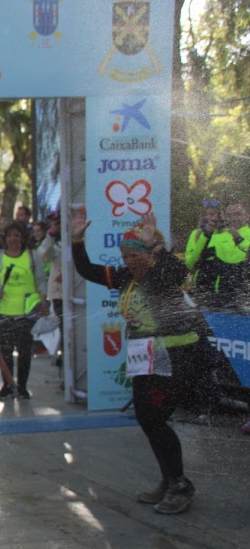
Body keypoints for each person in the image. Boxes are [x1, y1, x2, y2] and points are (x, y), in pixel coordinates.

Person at [70, 208, 213, 515]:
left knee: (154, 418)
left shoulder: (161, 273)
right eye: (124, 255)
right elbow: (86, 270)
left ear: (148, 254)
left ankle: (179, 485)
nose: (128, 261)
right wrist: (77, 238)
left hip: (177, 354)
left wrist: (156, 250)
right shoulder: (125, 277)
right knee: (146, 418)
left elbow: (179, 273)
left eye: (134, 256)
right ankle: (169, 479)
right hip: (144, 354)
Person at [0, 222, 48, 400]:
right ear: (5, 238)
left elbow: (41, 280)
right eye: (10, 235)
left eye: (17, 235)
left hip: (26, 312)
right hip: (3, 312)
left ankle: (22, 387)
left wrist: (43, 297)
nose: (14, 239)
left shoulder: (31, 256)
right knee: (5, 351)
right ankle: (7, 385)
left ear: (22, 238)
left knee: (24, 351)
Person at [185, 199, 249, 311]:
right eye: (205, 214)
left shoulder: (231, 233)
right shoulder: (197, 234)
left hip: (232, 295)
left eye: (213, 214)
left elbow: (234, 258)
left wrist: (238, 238)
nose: (209, 218)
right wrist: (205, 236)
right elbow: (191, 263)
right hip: (204, 292)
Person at [37, 211, 64, 366]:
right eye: (54, 222)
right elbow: (42, 256)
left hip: (74, 290)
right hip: (58, 293)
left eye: (59, 221)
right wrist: (52, 234)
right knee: (63, 326)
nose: (57, 224)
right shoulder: (53, 241)